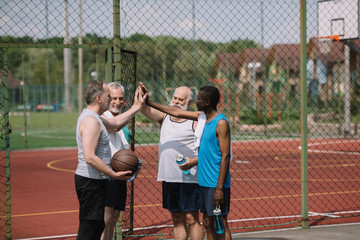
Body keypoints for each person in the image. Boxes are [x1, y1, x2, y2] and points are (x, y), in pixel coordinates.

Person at [141, 83, 232, 240]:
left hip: (215, 182)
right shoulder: (202, 118)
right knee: (208, 222)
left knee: (220, 222)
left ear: (208, 102)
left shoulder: (220, 122)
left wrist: (219, 188)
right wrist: (147, 102)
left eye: (198, 99)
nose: (196, 101)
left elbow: (226, 156)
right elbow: (175, 111)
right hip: (203, 180)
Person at [75, 80, 146, 240]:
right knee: (89, 230)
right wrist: (113, 175)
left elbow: (115, 124)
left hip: (95, 180)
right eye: (108, 96)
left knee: (97, 225)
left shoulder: (95, 117)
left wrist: (137, 106)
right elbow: (90, 157)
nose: (111, 99)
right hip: (90, 182)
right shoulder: (91, 121)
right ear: (99, 98)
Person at [141, 86, 204, 240]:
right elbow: (145, 110)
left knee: (191, 218)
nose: (176, 101)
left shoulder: (195, 120)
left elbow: (204, 148)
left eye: (180, 99)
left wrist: (193, 162)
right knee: (176, 218)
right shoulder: (165, 116)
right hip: (169, 176)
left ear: (189, 102)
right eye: (174, 98)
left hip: (189, 176)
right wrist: (142, 97)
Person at [101, 82, 132, 240]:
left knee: (113, 218)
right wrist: (137, 107)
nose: (118, 102)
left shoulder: (123, 125)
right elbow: (115, 127)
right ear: (106, 98)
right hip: (105, 173)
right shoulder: (102, 118)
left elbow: (125, 150)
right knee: (105, 219)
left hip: (119, 173)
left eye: (121, 98)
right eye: (113, 98)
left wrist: (133, 164)